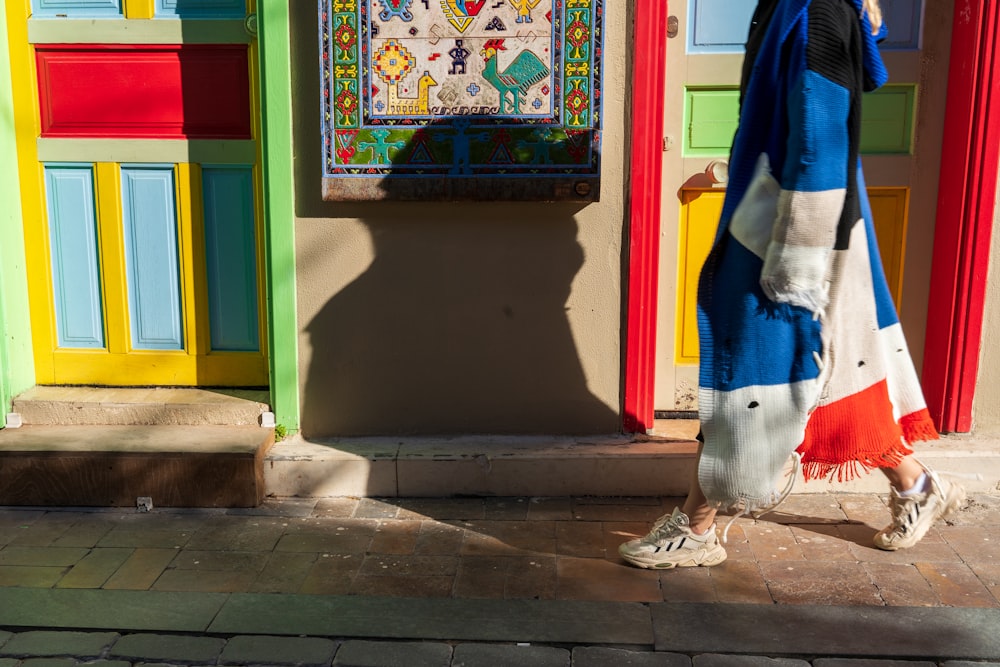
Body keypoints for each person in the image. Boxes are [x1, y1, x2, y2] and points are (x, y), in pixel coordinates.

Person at [620, 0, 967, 569]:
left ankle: (698, 527)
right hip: (812, 216)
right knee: (836, 364)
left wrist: (798, 266)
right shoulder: (815, 6)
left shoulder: (814, 11)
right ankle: (918, 486)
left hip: (794, 228)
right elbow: (870, 74)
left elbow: (822, 134)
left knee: (750, 365)